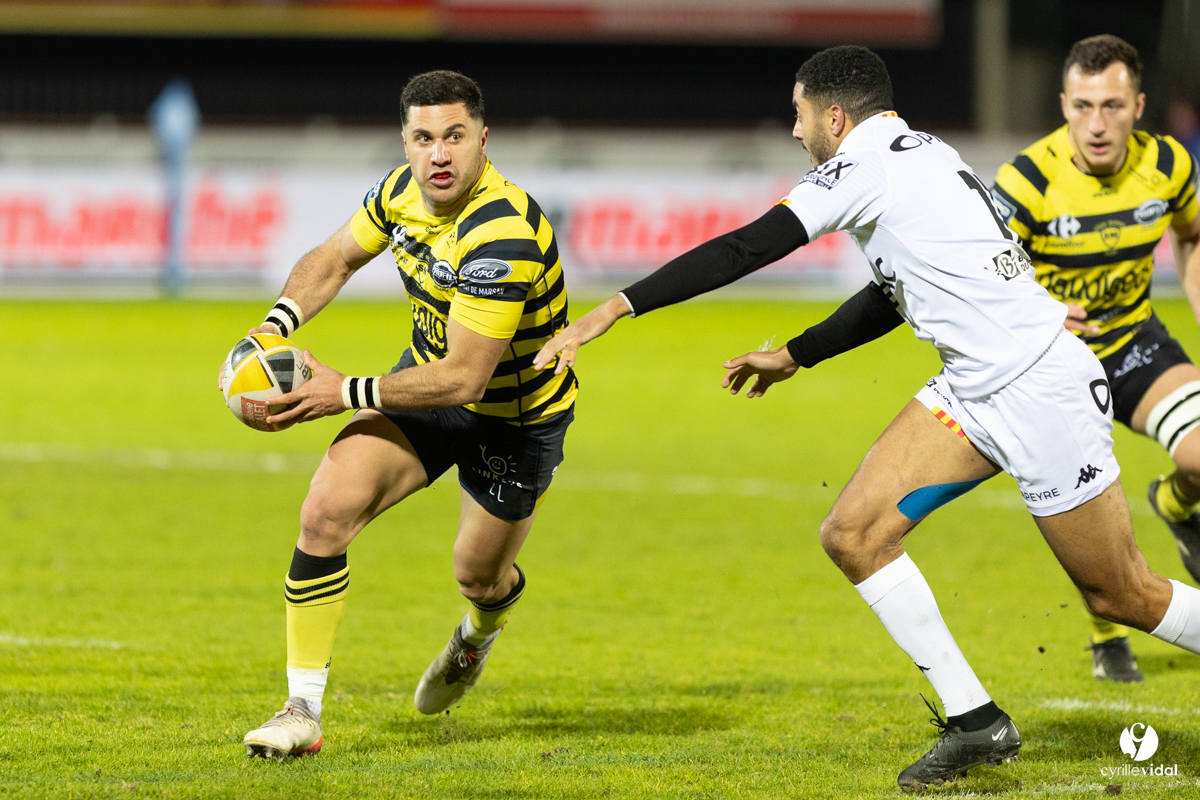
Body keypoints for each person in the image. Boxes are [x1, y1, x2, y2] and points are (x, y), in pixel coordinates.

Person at [533, 45, 1200, 791]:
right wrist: (797, 352)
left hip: (1040, 389)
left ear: (835, 115)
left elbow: (748, 246)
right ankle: (976, 722)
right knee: (854, 534)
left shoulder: (862, 164)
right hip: (975, 387)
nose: (795, 131)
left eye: (799, 114)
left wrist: (617, 308)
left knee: (1122, 595)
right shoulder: (924, 152)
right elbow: (892, 293)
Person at [235, 70, 577, 759]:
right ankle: (301, 710)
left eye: (454, 136)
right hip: (421, 392)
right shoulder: (398, 192)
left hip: (511, 416)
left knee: (477, 576)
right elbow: (332, 259)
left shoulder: (503, 229)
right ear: (406, 141)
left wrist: (345, 392)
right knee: (326, 509)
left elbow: (466, 375)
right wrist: (271, 329)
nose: (438, 155)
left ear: (483, 139)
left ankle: (478, 634)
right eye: (423, 138)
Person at [991, 35, 1200, 683]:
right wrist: (1038, 310)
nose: (1097, 123)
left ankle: (1176, 502)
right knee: (1084, 509)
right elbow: (981, 278)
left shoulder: (1169, 164)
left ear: (1139, 105)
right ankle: (1107, 629)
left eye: (1112, 105)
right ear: (1063, 104)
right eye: (1082, 106)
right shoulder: (1024, 180)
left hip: (1134, 341)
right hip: (1051, 365)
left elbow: (1192, 237)